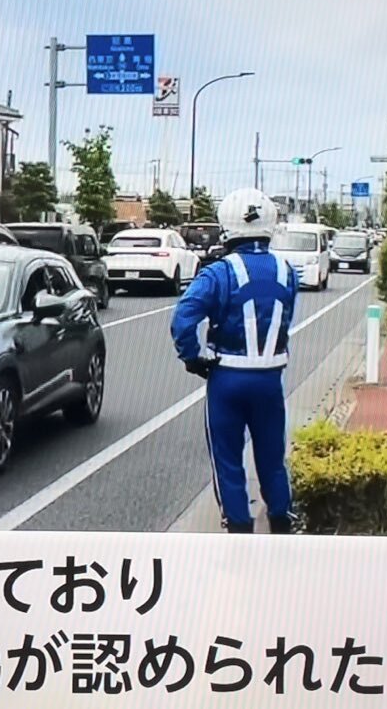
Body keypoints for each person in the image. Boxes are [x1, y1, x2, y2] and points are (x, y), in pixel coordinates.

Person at [170, 188, 299, 534]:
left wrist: (192, 357)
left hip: (227, 376)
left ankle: (239, 528)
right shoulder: (287, 271)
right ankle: (282, 522)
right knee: (272, 458)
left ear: (226, 225)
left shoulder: (218, 273)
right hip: (270, 378)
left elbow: (183, 318)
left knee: (228, 459)